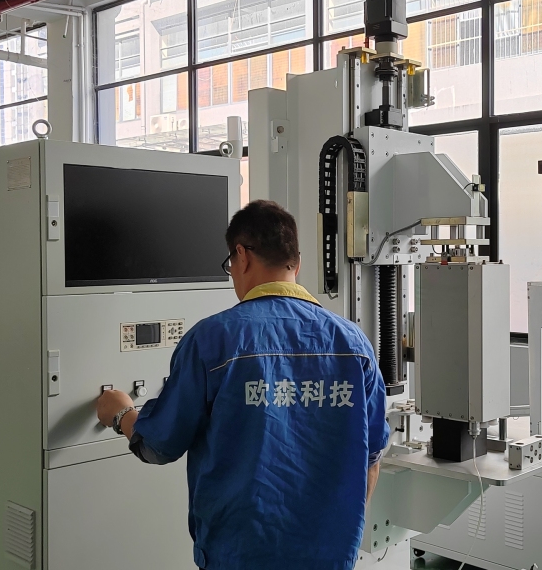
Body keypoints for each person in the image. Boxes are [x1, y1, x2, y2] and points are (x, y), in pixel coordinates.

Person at [97, 200, 389, 570]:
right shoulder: (354, 344)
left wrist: (120, 412)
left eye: (231, 264)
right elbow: (372, 457)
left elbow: (157, 445)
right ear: (296, 263)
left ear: (242, 256)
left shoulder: (212, 340)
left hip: (239, 557)